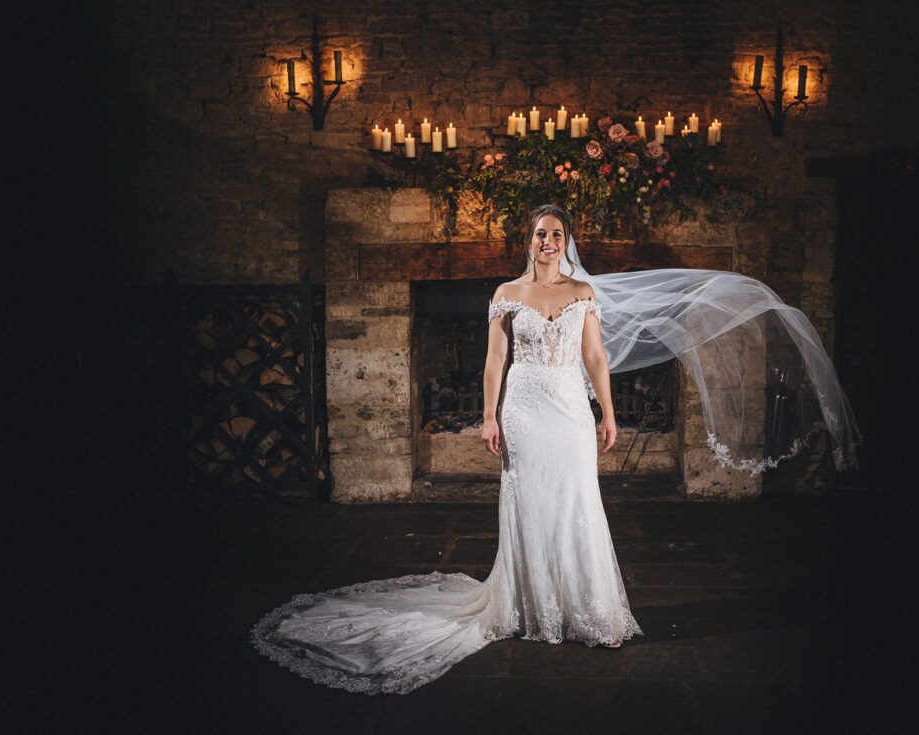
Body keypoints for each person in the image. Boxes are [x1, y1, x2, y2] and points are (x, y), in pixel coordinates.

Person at [251, 205, 643, 696]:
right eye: (541, 234)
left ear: (567, 241)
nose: (549, 241)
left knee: (578, 499)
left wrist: (608, 411)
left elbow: (595, 356)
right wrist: (487, 415)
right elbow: (495, 360)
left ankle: (590, 611)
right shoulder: (506, 295)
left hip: (568, 405)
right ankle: (530, 605)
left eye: (557, 234)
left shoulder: (582, 292)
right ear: (528, 240)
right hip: (524, 407)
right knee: (529, 501)